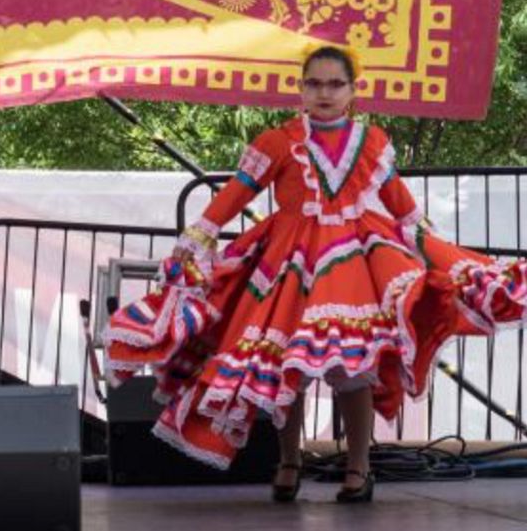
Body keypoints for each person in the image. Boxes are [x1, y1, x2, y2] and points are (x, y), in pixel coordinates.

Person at [104, 45, 527, 503]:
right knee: (288, 365)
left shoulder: (373, 142)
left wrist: (433, 248)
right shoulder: (278, 141)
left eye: (334, 84)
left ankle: (359, 468)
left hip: (353, 263)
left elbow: (402, 207)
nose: (324, 93)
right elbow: (235, 195)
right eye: (314, 83)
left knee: (352, 367)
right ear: (301, 89)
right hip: (287, 263)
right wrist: (199, 236)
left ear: (353, 90)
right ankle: (290, 460)